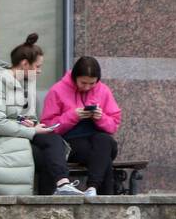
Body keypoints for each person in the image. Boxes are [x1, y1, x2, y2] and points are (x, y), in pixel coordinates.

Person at [0, 32, 84, 196]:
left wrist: (32, 124)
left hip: (13, 136)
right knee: (50, 148)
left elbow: (21, 117)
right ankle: (59, 188)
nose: (40, 71)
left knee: (52, 145)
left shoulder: (22, 84)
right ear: (25, 64)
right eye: (37, 66)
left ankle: (58, 191)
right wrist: (32, 131)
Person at [41, 55, 123, 196]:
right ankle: (95, 189)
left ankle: (92, 188)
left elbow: (113, 124)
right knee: (105, 161)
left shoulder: (103, 91)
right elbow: (48, 125)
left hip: (99, 141)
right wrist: (73, 116)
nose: (87, 87)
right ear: (74, 77)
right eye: (83, 82)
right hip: (72, 143)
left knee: (105, 141)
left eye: (92, 83)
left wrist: (100, 117)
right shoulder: (58, 90)